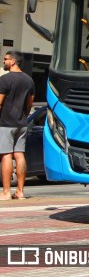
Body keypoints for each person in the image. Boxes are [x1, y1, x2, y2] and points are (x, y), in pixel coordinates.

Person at [0, 51, 35, 201]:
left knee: (6, 155)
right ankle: (20, 191)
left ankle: (6, 192)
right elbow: (30, 102)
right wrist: (24, 116)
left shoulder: (4, 80)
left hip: (6, 123)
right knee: (19, 154)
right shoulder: (29, 80)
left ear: (13, 61)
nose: (4, 61)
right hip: (21, 123)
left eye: (6, 59)